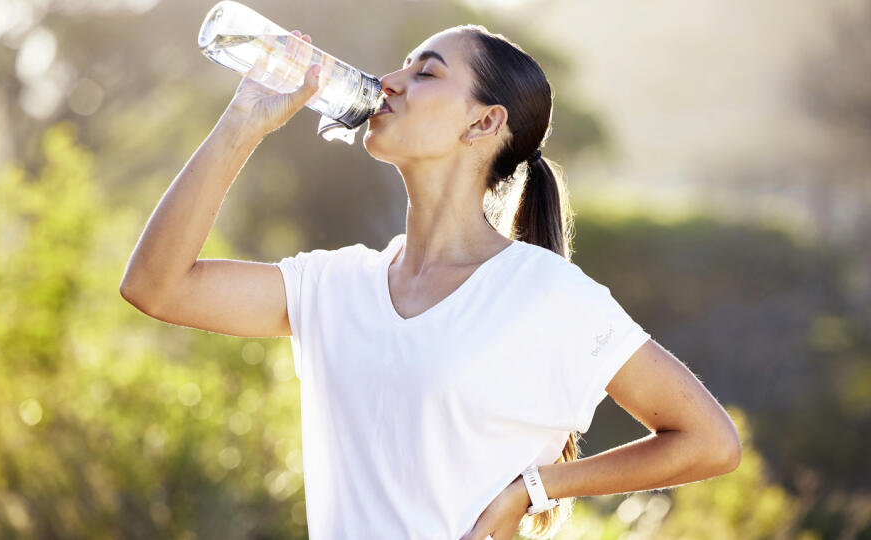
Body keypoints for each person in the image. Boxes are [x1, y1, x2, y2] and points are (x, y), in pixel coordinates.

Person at [120, 25, 742, 540]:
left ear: (483, 123)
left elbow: (710, 441)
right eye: (402, 67)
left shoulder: (546, 294)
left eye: (426, 73)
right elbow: (157, 287)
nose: (388, 82)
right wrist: (241, 123)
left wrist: (537, 488)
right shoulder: (335, 284)